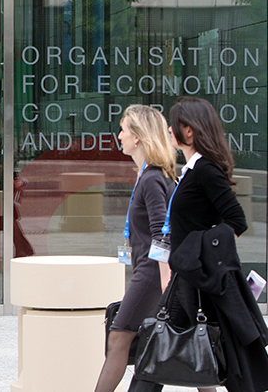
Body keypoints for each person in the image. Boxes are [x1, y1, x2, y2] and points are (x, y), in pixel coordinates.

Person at [137, 97, 268, 392]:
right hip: (189, 276)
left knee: (168, 346)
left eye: (174, 125)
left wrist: (198, 250)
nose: (169, 130)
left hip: (197, 277)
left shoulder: (206, 170)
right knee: (161, 345)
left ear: (190, 131)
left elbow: (236, 220)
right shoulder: (193, 170)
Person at [94, 105, 176, 392]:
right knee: (152, 341)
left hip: (152, 274)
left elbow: (161, 232)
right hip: (149, 272)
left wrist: (164, 277)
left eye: (124, 129)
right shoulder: (149, 174)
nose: (119, 136)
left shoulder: (153, 177)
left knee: (119, 338)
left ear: (139, 137)